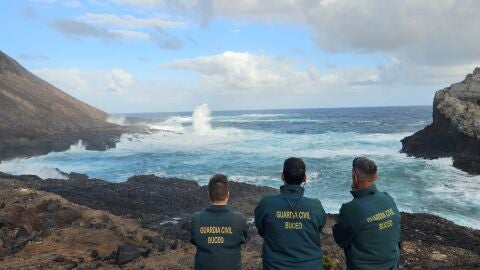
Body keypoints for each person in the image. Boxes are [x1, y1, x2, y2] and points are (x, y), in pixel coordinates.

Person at [255, 157, 327, 270]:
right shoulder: (315, 206)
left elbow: (261, 229)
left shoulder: (266, 204)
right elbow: (319, 228)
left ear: (282, 176)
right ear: (305, 178)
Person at [333, 157, 401, 270]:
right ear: (375, 177)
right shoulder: (388, 199)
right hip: (391, 265)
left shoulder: (351, 208)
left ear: (355, 177)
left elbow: (340, 239)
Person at [190, 174, 248, 270]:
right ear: (228, 195)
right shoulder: (239, 219)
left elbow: (195, 240)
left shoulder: (196, 219)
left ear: (208, 194)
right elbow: (243, 238)